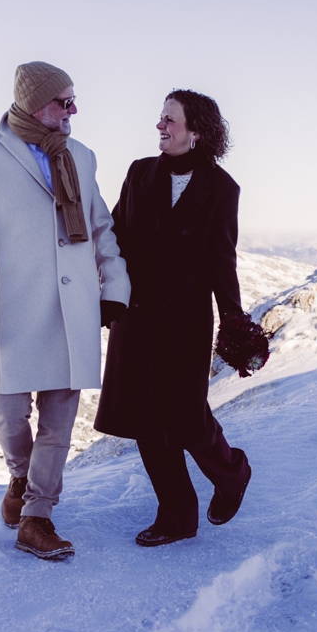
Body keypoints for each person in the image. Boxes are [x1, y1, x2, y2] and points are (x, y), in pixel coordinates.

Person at [0, 60, 131, 560]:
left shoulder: (83, 156)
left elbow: (100, 229)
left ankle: (37, 516)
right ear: (34, 104)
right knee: (9, 412)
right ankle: (19, 477)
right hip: (14, 306)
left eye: (74, 99)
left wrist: (114, 286)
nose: (73, 110)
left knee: (59, 418)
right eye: (63, 101)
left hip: (72, 308)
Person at [95, 89, 254, 547]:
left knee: (186, 417)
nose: (160, 126)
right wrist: (105, 293)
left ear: (196, 132)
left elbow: (222, 260)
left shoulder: (222, 189)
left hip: (185, 320)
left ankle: (232, 472)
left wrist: (233, 319)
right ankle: (178, 515)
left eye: (170, 119)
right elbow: (116, 237)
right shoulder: (140, 173)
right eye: (160, 118)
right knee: (146, 419)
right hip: (137, 315)